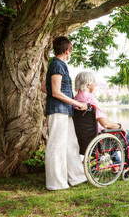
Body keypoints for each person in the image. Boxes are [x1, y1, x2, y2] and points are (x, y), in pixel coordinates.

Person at [41, 36, 88, 190]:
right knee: (57, 146)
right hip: (58, 111)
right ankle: (56, 183)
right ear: (67, 50)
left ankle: (77, 177)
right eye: (70, 51)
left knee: (71, 144)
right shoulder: (57, 65)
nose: (70, 54)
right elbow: (55, 92)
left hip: (64, 111)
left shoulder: (57, 65)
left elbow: (44, 87)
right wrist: (77, 103)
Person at [74, 71, 129, 171]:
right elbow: (105, 123)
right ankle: (128, 166)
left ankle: (117, 164)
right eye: (94, 82)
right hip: (98, 139)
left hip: (83, 140)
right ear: (88, 85)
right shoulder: (90, 99)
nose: (95, 84)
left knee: (111, 134)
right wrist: (119, 125)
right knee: (127, 133)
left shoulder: (75, 99)